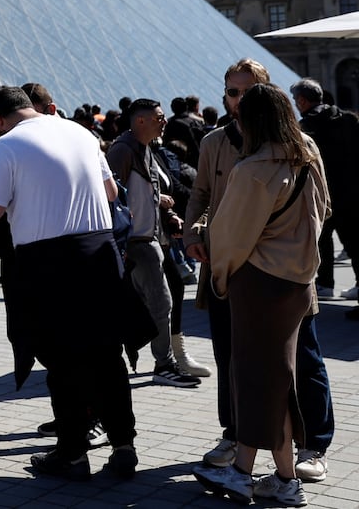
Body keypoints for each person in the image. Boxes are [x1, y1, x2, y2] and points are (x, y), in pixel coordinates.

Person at [0, 86, 142, 481]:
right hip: (100, 254)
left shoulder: (6, 146)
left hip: (47, 262)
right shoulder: (80, 132)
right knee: (107, 356)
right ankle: (124, 444)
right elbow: (110, 191)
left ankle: (72, 453)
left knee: (63, 362)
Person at [186, 61, 336, 487]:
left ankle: (289, 456)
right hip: (297, 276)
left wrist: (224, 271)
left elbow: (233, 235)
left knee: (270, 373)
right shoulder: (298, 151)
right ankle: (271, 469)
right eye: (230, 92)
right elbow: (322, 210)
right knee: (263, 374)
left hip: (252, 279)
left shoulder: (255, 165)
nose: (235, 101)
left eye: (243, 94)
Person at [105, 98, 201, 388]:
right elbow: (111, 196)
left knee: (158, 303)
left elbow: (147, 191)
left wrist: (168, 213)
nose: (165, 121)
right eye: (159, 117)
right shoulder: (123, 150)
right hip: (136, 242)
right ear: (141, 121)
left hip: (150, 238)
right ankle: (164, 364)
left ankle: (163, 360)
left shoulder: (144, 148)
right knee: (161, 303)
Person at [286, 78, 358, 300]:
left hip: (323, 195)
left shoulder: (305, 127)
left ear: (302, 100)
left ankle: (325, 284)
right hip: (352, 192)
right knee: (354, 241)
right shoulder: (349, 119)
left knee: (322, 241)